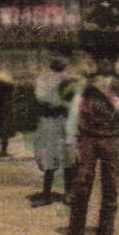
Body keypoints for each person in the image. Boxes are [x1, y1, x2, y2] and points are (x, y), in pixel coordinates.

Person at [60, 54, 119, 235]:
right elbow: (75, 111)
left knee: (110, 187)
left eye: (108, 60)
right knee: (81, 188)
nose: (104, 63)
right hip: (87, 138)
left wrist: (114, 99)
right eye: (100, 59)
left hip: (111, 138)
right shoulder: (84, 85)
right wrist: (71, 141)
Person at [29, 55, 75, 206]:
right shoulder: (43, 79)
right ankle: (47, 194)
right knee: (49, 155)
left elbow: (74, 101)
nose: (60, 61)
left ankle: (69, 193)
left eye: (63, 57)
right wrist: (58, 102)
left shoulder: (70, 79)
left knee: (68, 155)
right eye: (57, 57)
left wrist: (62, 104)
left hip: (65, 119)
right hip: (48, 119)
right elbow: (41, 98)